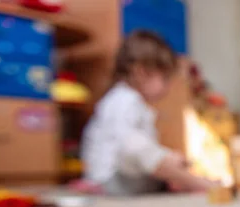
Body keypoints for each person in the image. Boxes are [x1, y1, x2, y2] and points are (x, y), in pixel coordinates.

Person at [79, 30, 215, 195]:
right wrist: (165, 159)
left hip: (125, 176)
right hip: (111, 180)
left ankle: (183, 181)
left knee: (162, 163)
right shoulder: (124, 99)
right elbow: (133, 149)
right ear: (141, 72)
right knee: (147, 154)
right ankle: (198, 184)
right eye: (164, 78)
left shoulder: (134, 102)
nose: (168, 87)